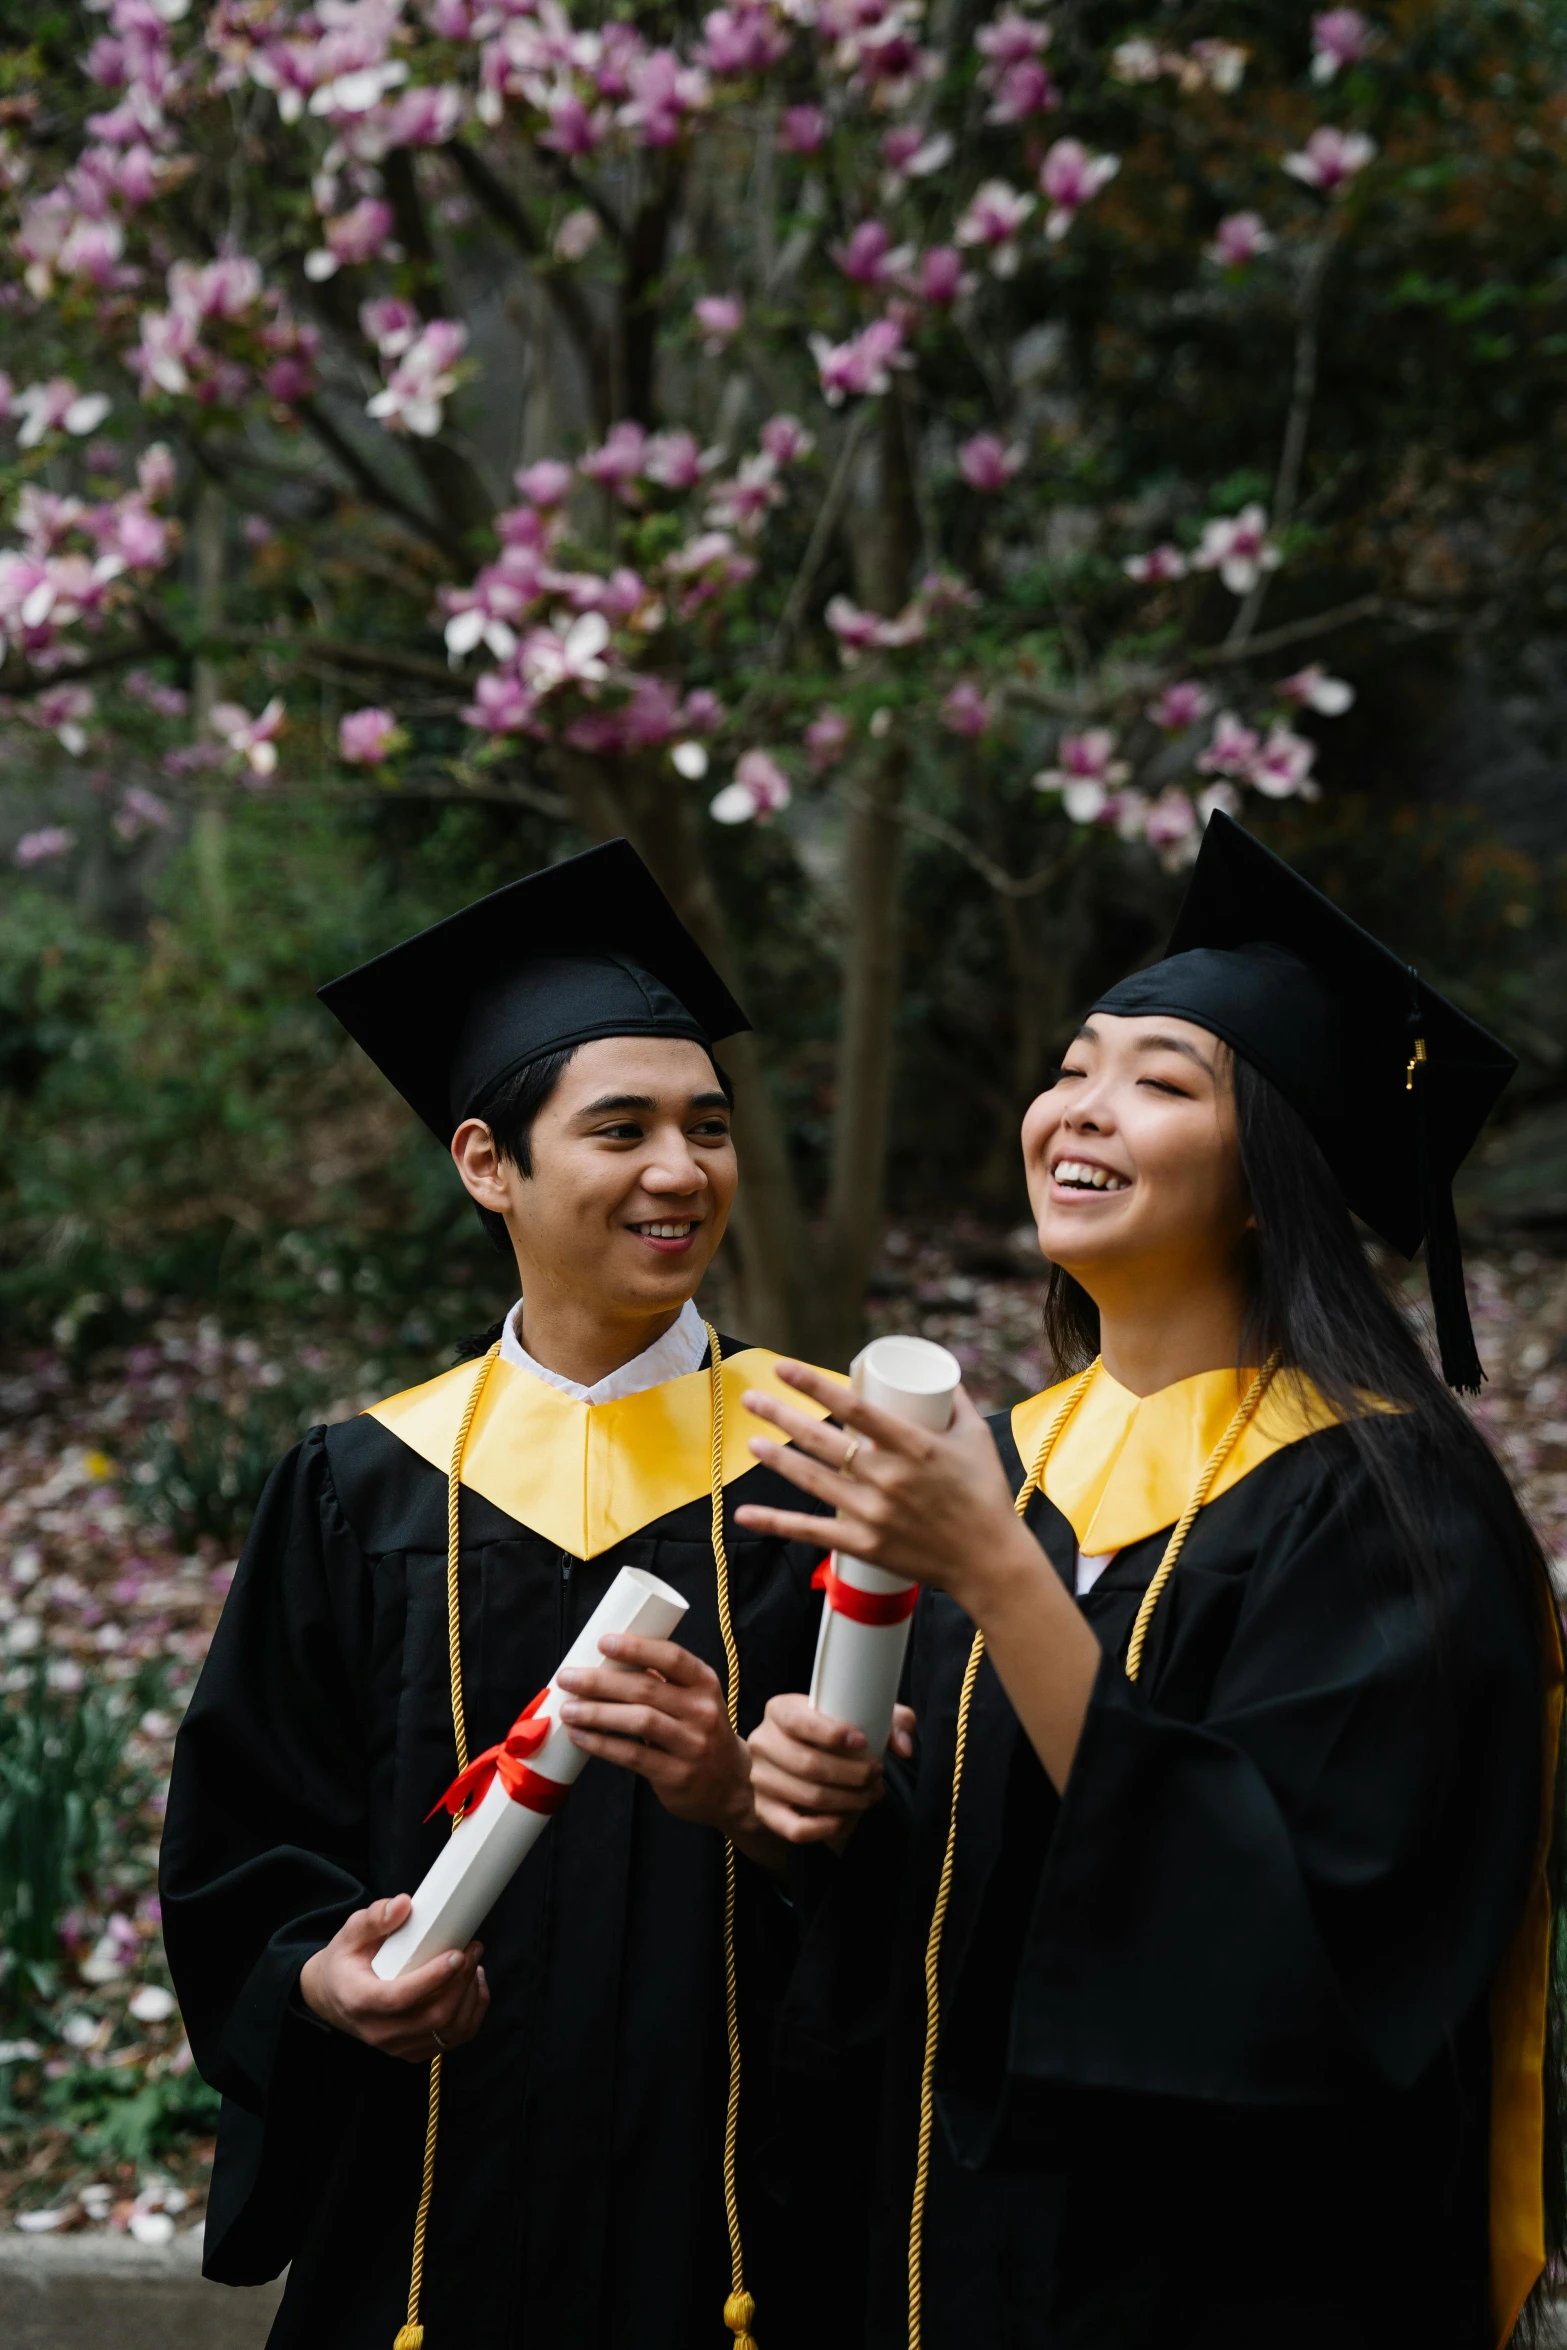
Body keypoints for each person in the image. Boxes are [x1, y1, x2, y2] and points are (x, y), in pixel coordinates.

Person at [741, 812, 1561, 2350]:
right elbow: (971, 1912)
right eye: (1070, 1065)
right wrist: (810, 1809)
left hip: (1217, 2291)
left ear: (1271, 1180)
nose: (1080, 1108)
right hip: (941, 2266)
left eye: (1159, 1081)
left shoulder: (1388, 1513)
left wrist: (994, 1573)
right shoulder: (1007, 1465)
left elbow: (1293, 1953)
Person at [160, 840, 843, 2350]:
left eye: (708, 1125)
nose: (681, 1168)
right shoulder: (361, 1489)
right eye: (622, 1127)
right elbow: (244, 1841)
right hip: (422, 2232)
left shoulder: (826, 1468)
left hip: (740, 2233)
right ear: (488, 1163)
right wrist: (321, 1981)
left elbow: (924, 1856)